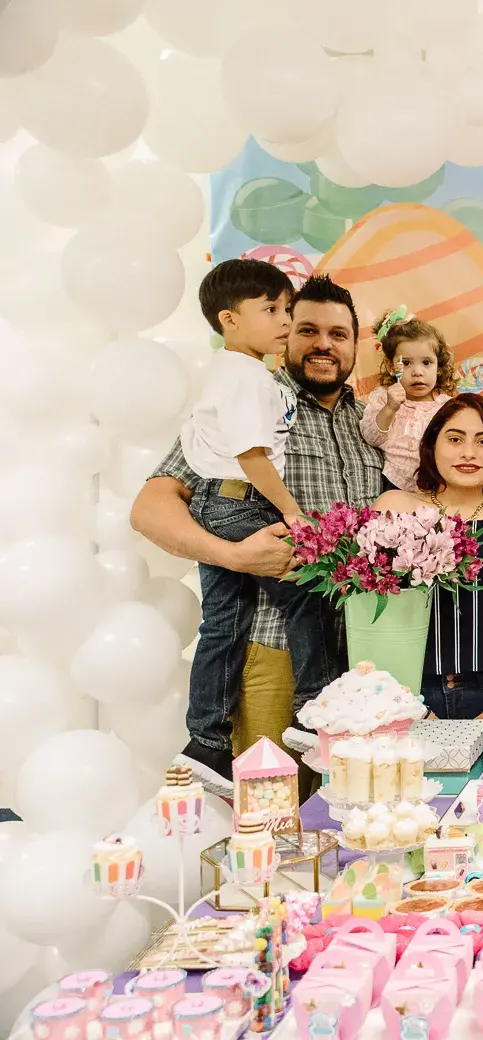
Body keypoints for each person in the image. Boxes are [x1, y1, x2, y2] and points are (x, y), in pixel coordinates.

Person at [131, 274, 384, 792]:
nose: (323, 344)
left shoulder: (375, 426)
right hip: (274, 649)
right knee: (273, 813)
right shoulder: (248, 399)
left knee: (367, 809)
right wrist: (233, 556)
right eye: (307, 329)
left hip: (366, 651)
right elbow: (149, 509)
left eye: (338, 334)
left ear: (355, 344)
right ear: (285, 333)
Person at [175, 258, 346, 788]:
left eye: (285, 310)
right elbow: (251, 457)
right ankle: (313, 711)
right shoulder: (245, 378)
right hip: (239, 503)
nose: (285, 322)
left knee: (221, 621)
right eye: (273, 311)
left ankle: (204, 742)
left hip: (221, 500)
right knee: (307, 590)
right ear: (229, 320)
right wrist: (291, 514)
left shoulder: (242, 375)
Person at [375, 394, 483, 750]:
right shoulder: (395, 509)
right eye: (455, 439)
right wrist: (411, 710)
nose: (469, 452)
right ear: (432, 446)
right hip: (406, 697)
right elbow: (370, 622)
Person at [359, 307, 454, 491]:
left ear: (438, 367)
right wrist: (390, 408)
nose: (417, 372)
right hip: (394, 481)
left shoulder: (446, 406)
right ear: (391, 367)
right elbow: (371, 438)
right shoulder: (384, 396)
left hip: (436, 484)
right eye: (406, 363)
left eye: (426, 363)